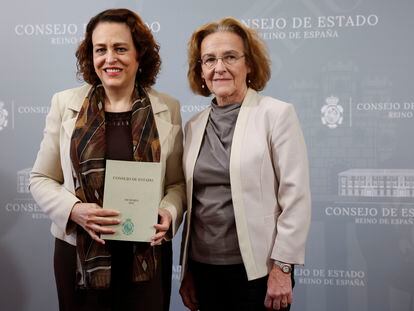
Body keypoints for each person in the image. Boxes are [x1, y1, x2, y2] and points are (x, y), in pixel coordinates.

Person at [30, 8, 185, 311]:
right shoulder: (65, 104)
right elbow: (41, 178)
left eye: (121, 48)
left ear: (139, 55)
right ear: (91, 56)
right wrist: (74, 210)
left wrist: (169, 211)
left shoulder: (167, 106)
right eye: (100, 49)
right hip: (79, 257)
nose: (110, 58)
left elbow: (177, 183)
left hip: (145, 259)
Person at [179, 17, 311, 311]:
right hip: (204, 270)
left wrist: (283, 268)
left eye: (230, 57)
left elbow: (296, 198)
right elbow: (193, 205)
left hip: (259, 272)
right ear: (200, 70)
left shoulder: (276, 115)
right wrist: (186, 269)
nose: (219, 67)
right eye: (209, 59)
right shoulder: (193, 126)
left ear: (249, 64)